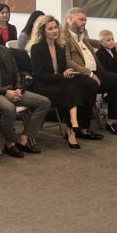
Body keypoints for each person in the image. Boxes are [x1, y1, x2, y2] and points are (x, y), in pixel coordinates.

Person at [0, 15, 51, 158]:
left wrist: (19, 87)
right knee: (9, 108)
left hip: (12, 90)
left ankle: (24, 137)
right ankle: (9, 143)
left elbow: (16, 72)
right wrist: (4, 91)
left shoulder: (5, 50)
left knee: (44, 102)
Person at [29, 15, 96, 149]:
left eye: (56, 28)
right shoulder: (36, 48)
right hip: (42, 85)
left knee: (79, 84)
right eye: (50, 29)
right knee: (68, 90)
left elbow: (61, 69)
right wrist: (62, 76)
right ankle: (72, 128)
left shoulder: (60, 46)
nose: (55, 31)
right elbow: (40, 75)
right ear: (43, 31)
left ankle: (73, 124)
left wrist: (67, 73)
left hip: (58, 81)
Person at [62, 7, 117, 139]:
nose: (84, 22)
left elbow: (92, 43)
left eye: (85, 20)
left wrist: (106, 42)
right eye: (81, 20)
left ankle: (111, 120)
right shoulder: (64, 37)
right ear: (69, 20)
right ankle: (84, 128)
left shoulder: (82, 35)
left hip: (94, 71)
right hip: (79, 74)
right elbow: (68, 62)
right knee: (91, 84)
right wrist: (89, 73)